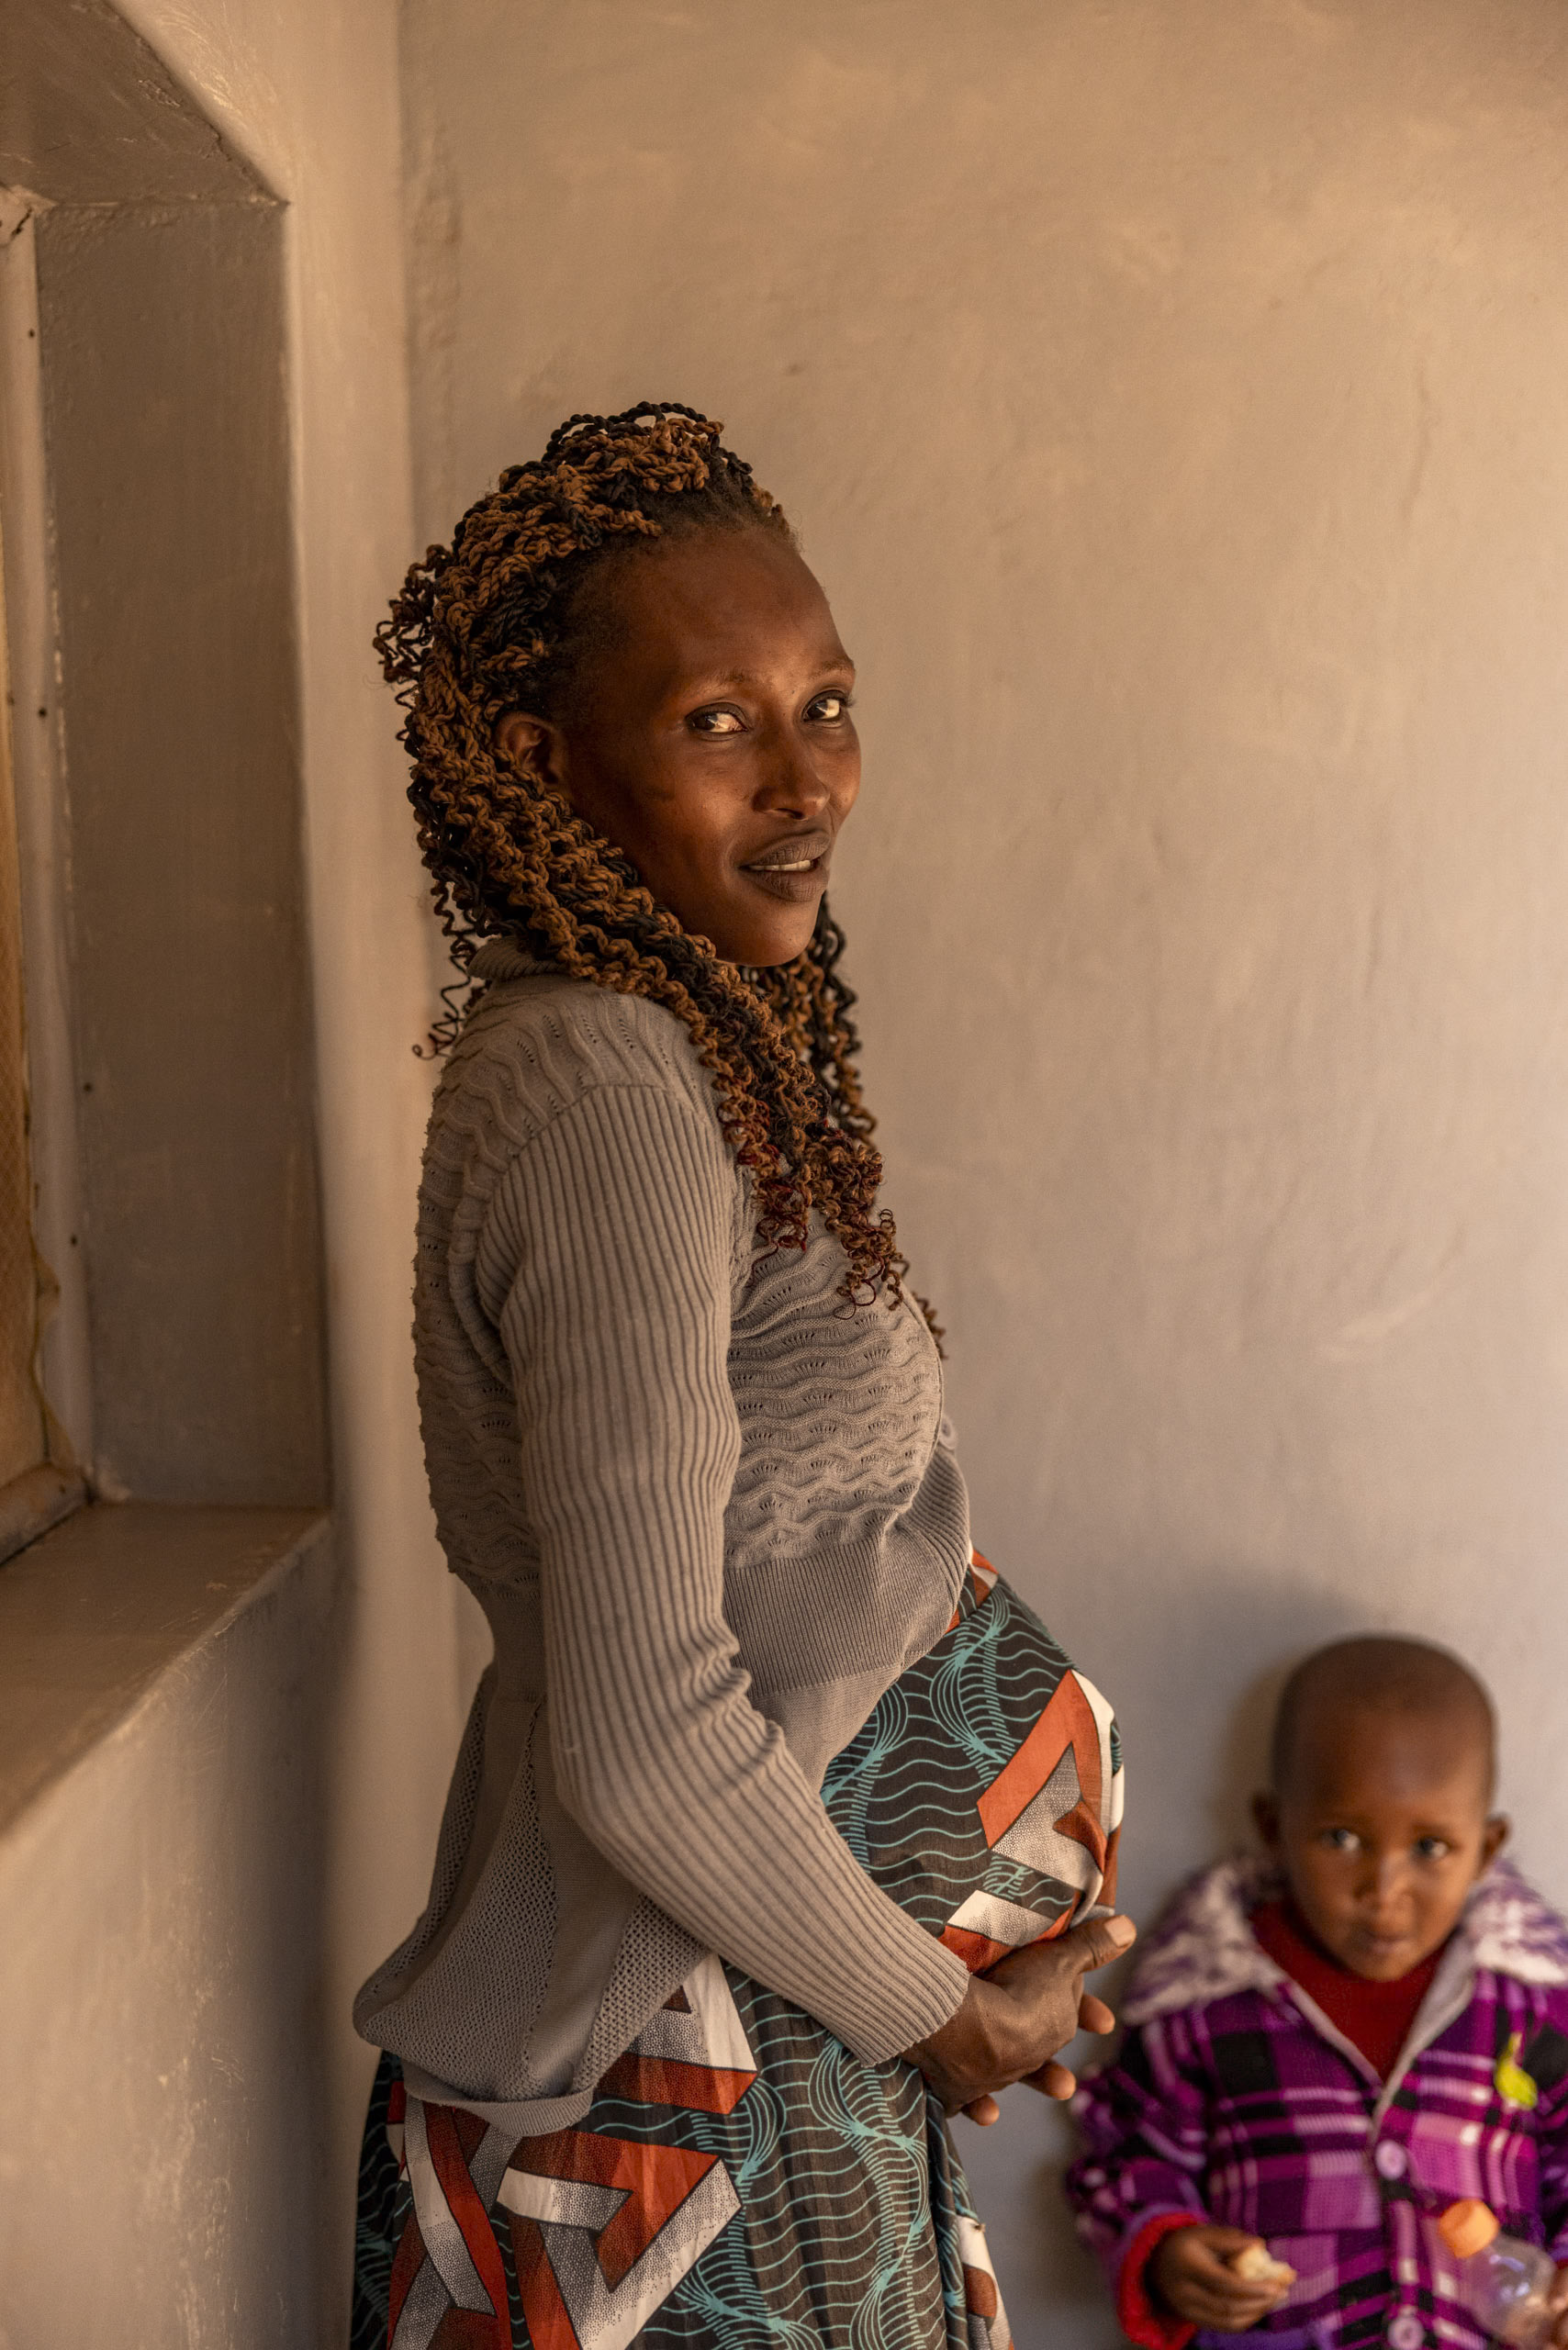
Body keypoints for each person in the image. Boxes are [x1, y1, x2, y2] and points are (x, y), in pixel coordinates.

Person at [347, 402, 1134, 2350]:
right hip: (692, 2079)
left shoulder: (666, 1048)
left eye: (828, 702)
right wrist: (943, 2014)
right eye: (718, 720)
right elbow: (639, 1730)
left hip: (766, 2030)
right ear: (542, 764)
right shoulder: (607, 1088)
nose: (810, 779)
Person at [1066, 1635, 1568, 2350]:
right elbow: (1125, 2154)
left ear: (1487, 1850)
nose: (1383, 1891)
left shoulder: (1531, 2007)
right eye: (1341, 1837)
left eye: (1430, 1848)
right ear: (1275, 1829)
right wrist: (1166, 2250)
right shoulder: (1207, 2002)